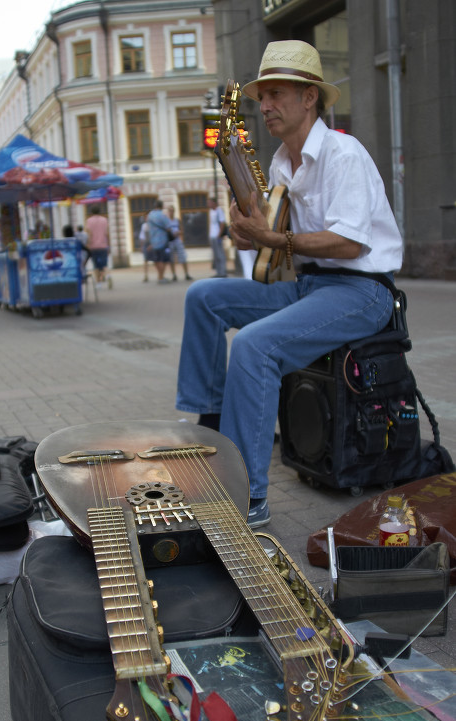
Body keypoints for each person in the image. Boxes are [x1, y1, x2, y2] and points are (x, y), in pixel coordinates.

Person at [176, 40, 402, 529]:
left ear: (309, 98)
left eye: (277, 94)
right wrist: (248, 233)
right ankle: (213, 429)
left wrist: (273, 235)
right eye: (261, 97)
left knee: (256, 346)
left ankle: (248, 499)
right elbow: (278, 250)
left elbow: (348, 245)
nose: (267, 106)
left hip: (363, 292)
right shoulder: (281, 162)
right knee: (204, 297)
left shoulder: (345, 154)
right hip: (310, 286)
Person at [84, 205, 112, 288]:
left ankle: (98, 283)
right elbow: (107, 234)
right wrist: (108, 244)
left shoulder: (89, 221)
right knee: (104, 264)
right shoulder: (104, 220)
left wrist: (88, 245)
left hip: (93, 246)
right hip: (103, 245)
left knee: (96, 265)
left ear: (91, 212)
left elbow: (89, 234)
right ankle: (108, 276)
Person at [147, 200, 172, 284]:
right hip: (162, 240)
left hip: (153, 241)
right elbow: (168, 227)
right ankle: (161, 277)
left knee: (156, 260)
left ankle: (159, 276)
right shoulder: (163, 215)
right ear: (161, 206)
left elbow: (148, 228)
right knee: (163, 259)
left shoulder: (150, 215)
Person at [167, 206, 192, 281]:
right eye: (170, 211)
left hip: (177, 240)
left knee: (183, 257)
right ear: (168, 212)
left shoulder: (177, 220)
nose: (171, 212)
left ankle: (186, 274)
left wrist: (178, 233)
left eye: (172, 211)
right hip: (170, 241)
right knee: (171, 259)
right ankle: (174, 275)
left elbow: (182, 230)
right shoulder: (166, 221)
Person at [207, 197, 227, 277]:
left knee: (220, 254)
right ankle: (218, 272)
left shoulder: (219, 210)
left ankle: (223, 272)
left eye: (209, 202)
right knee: (215, 255)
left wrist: (219, 234)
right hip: (212, 235)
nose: (208, 204)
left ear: (213, 203)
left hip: (217, 236)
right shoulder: (211, 211)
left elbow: (222, 223)